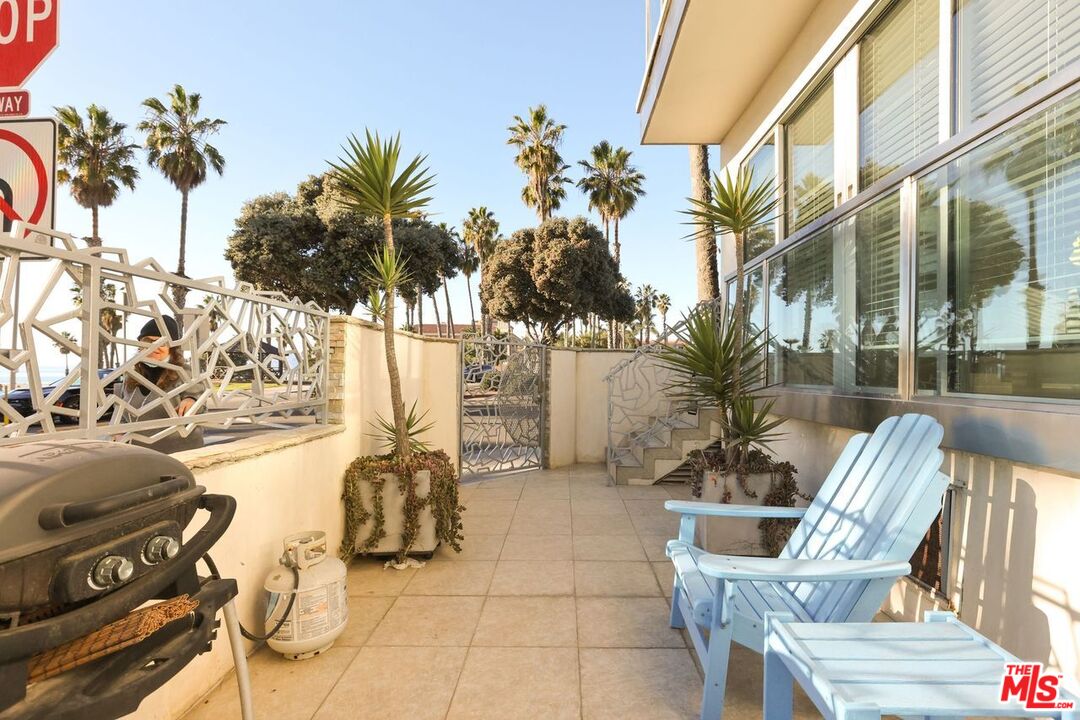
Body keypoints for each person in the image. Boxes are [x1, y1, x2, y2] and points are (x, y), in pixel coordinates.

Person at [120, 315, 205, 453]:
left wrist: (191, 400)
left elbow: (199, 400)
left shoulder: (185, 372)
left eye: (162, 342)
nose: (155, 346)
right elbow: (123, 414)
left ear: (172, 348)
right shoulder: (131, 375)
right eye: (148, 341)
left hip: (179, 454)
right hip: (138, 454)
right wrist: (119, 432)